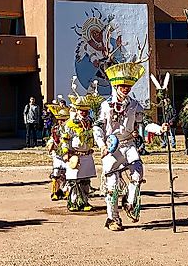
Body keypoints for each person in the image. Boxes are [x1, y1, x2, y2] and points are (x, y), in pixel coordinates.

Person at [94, 61, 167, 231]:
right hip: (112, 148)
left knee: (137, 172)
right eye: (122, 86)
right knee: (112, 186)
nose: (125, 89)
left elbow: (145, 123)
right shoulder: (106, 106)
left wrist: (159, 129)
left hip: (129, 145)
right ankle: (113, 219)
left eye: (128, 86)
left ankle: (129, 201)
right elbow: (98, 126)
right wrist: (102, 145)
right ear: (116, 86)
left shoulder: (134, 105)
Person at [59, 93, 98, 212]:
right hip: (74, 155)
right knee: (73, 181)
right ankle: (73, 202)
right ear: (77, 110)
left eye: (86, 110)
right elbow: (65, 139)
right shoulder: (70, 123)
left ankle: (84, 202)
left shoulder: (90, 123)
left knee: (85, 181)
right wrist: (66, 152)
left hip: (87, 155)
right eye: (81, 110)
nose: (83, 112)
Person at [45, 102, 70, 201]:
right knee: (56, 173)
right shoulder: (55, 129)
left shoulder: (70, 129)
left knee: (67, 174)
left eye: (63, 120)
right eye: (60, 120)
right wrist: (50, 145)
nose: (61, 122)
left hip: (67, 154)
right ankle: (55, 192)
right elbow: (51, 140)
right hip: (57, 155)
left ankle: (66, 191)